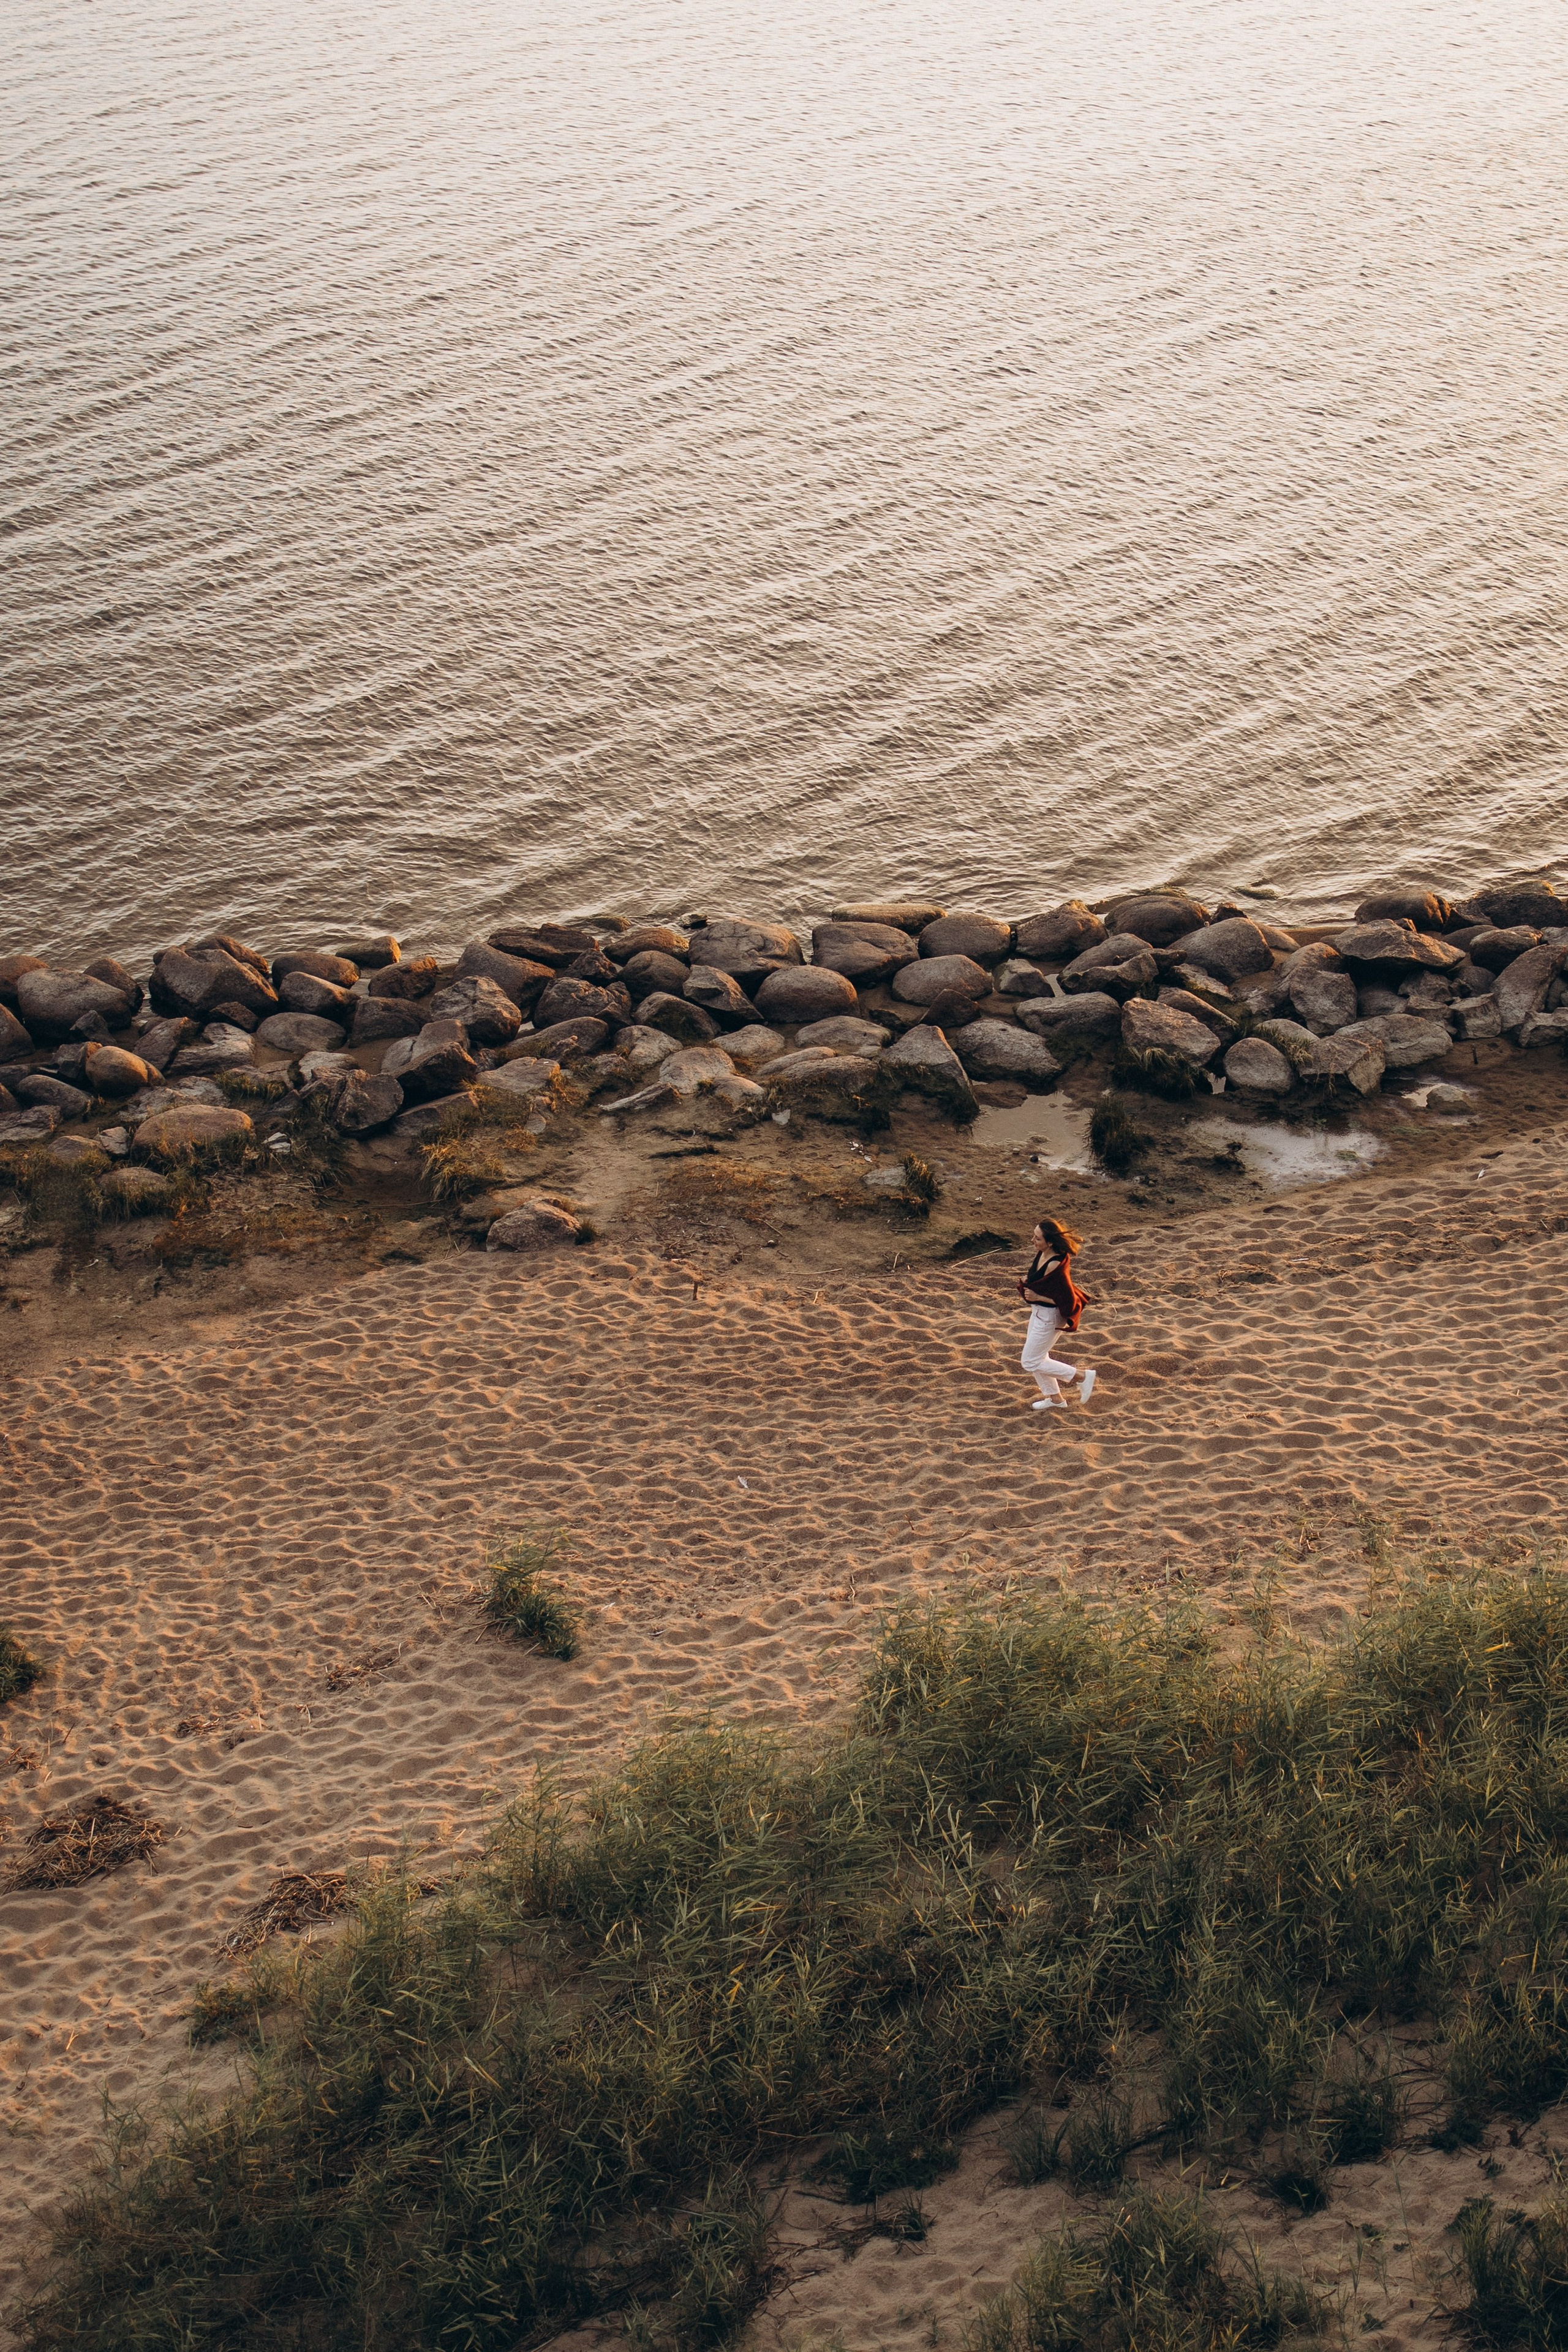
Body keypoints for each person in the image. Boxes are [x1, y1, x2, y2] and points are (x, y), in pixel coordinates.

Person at [1018, 1219, 1097, 1411]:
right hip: (1038, 1313)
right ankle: (1055, 1399)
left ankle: (1082, 1377)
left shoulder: (1055, 1265)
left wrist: (1038, 1296)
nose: (1032, 1241)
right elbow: (1043, 1283)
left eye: (1037, 1238)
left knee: (1030, 1361)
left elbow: (1067, 1301)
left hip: (1050, 1317)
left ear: (1050, 1242)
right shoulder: (1043, 1253)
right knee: (1039, 1358)